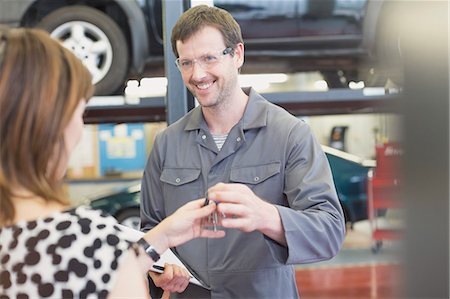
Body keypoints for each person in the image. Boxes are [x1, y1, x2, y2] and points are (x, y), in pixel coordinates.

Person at [0, 27, 225, 299]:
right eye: (78, 112)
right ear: (50, 122)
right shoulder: (84, 240)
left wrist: (161, 238)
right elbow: (94, 270)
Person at [140, 5, 346, 299]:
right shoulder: (167, 143)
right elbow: (151, 229)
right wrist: (160, 268)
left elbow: (329, 231)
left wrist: (267, 216)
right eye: (186, 63)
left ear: (237, 54)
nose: (197, 74)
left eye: (209, 58)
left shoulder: (289, 134)